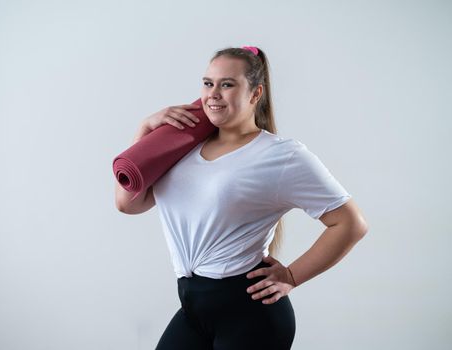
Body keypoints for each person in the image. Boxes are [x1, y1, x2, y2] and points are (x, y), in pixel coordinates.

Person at [115, 46, 368, 349]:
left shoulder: (281, 155)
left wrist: (290, 276)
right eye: (208, 83)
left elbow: (350, 223)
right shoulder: (184, 147)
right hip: (192, 308)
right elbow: (128, 203)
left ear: (255, 93)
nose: (213, 94)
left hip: (250, 315)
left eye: (227, 84)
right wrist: (144, 132)